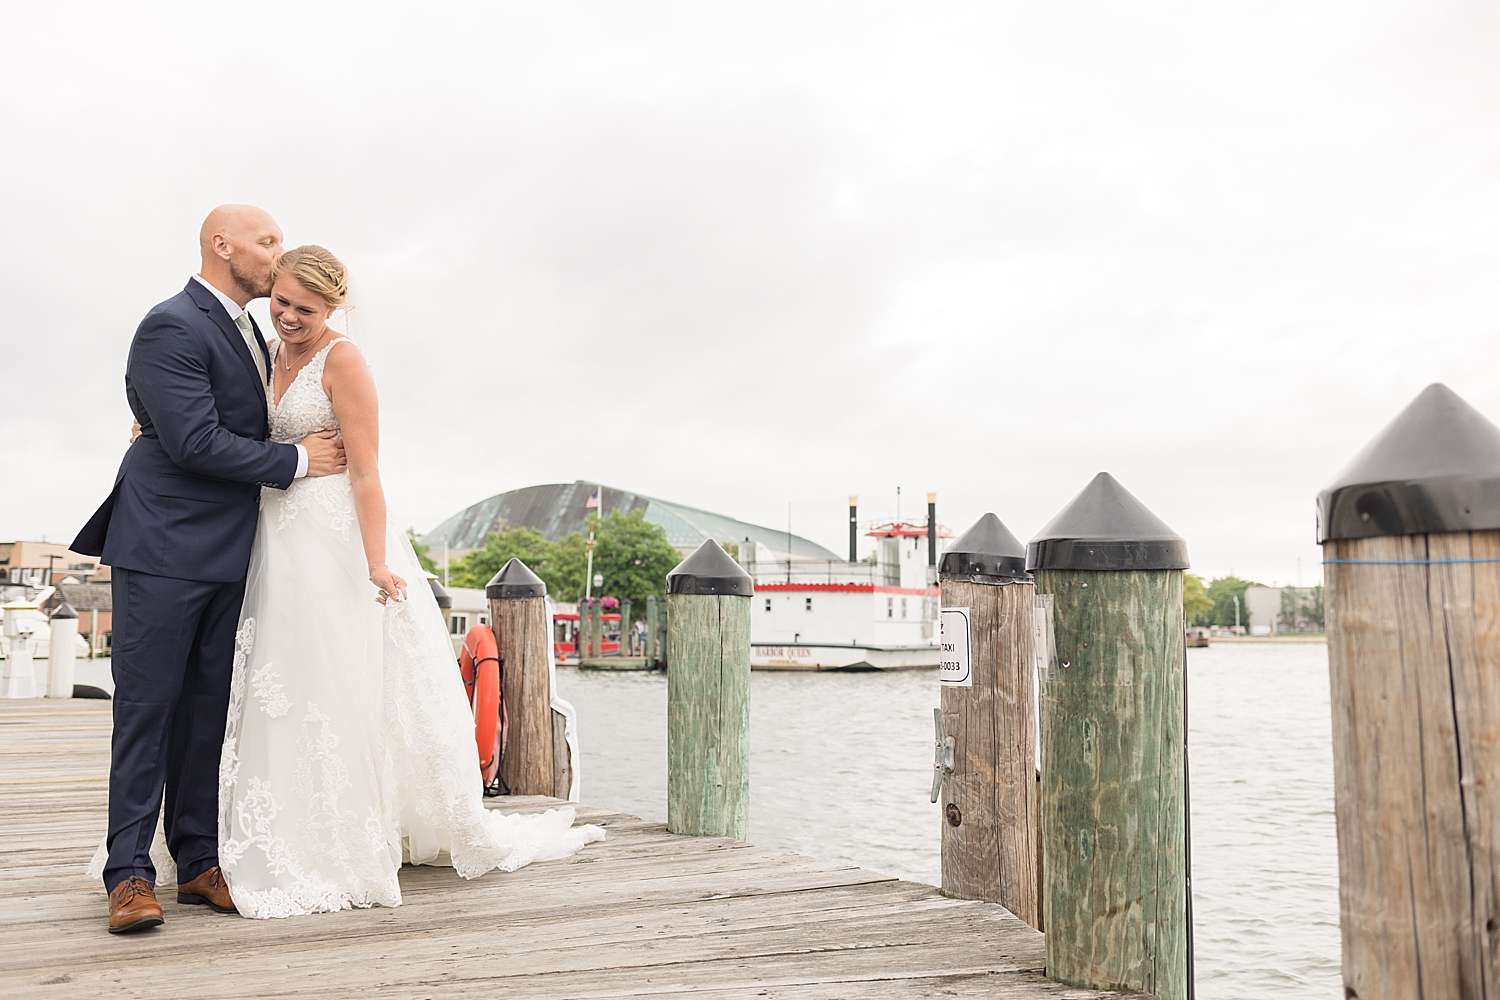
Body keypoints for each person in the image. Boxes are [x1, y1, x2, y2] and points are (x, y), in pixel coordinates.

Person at [215, 245, 602, 919]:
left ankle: (343, 832)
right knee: (280, 678)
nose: (289, 318)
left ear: (336, 308)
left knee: (333, 679)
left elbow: (366, 472)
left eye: (305, 310)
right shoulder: (264, 350)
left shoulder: (344, 361)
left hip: (332, 537)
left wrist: (374, 561)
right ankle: (276, 820)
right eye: (280, 303)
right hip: (273, 533)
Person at [73, 206, 348, 933]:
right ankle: (129, 875)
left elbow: (214, 416)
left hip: (234, 550)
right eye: (266, 241)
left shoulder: (254, 332)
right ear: (222, 246)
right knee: (146, 712)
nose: (277, 252)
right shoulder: (171, 322)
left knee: (207, 714)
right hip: (163, 547)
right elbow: (194, 440)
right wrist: (297, 460)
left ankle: (195, 860)